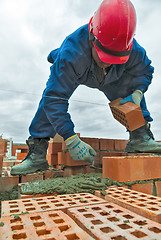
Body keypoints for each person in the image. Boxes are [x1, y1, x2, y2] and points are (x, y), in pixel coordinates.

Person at [11, 0, 161, 176]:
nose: (106, 64)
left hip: (113, 78)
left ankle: (140, 136)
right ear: (92, 38)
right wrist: (71, 139)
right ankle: (37, 153)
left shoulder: (134, 50)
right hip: (81, 69)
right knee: (49, 99)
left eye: (114, 58)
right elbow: (54, 100)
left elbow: (145, 72)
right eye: (105, 57)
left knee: (131, 88)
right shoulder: (71, 54)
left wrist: (138, 92)